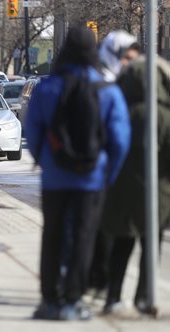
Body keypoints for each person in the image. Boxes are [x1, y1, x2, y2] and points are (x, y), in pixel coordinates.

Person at [26, 26, 131, 320]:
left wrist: (46, 160)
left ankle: (49, 300)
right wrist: (108, 171)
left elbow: (32, 130)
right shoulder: (108, 91)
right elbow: (120, 139)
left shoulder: (47, 87)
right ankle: (73, 301)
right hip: (92, 178)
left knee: (53, 235)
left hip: (55, 178)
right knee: (84, 238)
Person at [101, 57, 170, 315]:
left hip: (120, 192)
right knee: (151, 248)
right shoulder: (165, 115)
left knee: (121, 245)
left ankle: (113, 296)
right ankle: (144, 297)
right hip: (157, 194)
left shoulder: (120, 112)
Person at [88, 30, 141, 302]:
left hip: (125, 174)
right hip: (98, 171)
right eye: (124, 58)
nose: (127, 64)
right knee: (99, 230)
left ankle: (106, 283)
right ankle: (95, 280)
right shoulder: (98, 85)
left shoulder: (133, 88)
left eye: (132, 59)